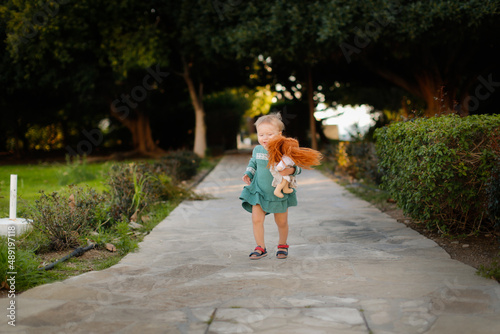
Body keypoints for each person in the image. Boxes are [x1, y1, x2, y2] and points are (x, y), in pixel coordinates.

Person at [240, 113, 301, 260]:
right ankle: (260, 247)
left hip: (277, 193)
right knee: (256, 219)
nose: (265, 138)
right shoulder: (257, 150)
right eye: (261, 134)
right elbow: (253, 163)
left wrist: (291, 170)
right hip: (259, 191)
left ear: (279, 135)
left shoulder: (284, 150)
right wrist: (248, 173)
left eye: (269, 134)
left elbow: (297, 167)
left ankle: (282, 245)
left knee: (281, 221)